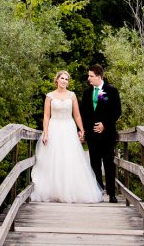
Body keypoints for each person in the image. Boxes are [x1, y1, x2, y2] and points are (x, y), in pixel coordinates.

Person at [30, 70, 103, 203]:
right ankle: (55, 191)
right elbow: (46, 116)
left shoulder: (72, 95)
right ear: (57, 80)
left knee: (70, 158)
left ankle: (71, 190)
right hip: (54, 128)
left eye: (66, 79)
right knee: (55, 159)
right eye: (62, 78)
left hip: (69, 128)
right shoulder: (50, 96)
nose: (64, 81)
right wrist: (45, 133)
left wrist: (82, 129)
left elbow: (77, 115)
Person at [82, 63, 122, 202]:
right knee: (95, 164)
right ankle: (98, 192)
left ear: (99, 77)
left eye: (91, 76)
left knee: (109, 164)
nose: (89, 78)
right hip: (92, 136)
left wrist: (104, 124)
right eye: (89, 75)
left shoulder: (112, 91)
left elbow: (117, 111)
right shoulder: (87, 93)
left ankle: (112, 194)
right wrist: (85, 130)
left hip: (107, 134)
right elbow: (83, 113)